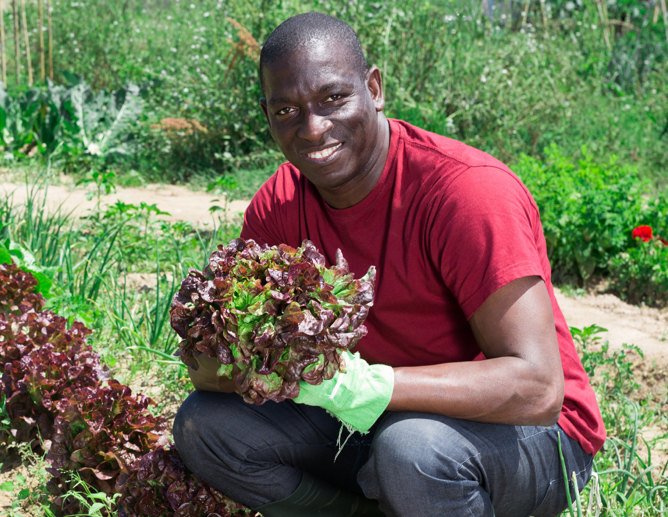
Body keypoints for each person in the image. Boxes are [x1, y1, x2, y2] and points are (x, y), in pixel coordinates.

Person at [173, 12, 605, 517]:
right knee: (208, 427)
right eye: (287, 110)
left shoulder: (464, 194)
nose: (313, 129)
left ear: (373, 88)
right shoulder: (281, 205)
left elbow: (537, 389)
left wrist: (368, 386)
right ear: (266, 115)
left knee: (413, 451)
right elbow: (209, 369)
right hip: (381, 421)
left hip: (529, 438)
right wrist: (237, 360)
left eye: (334, 98)